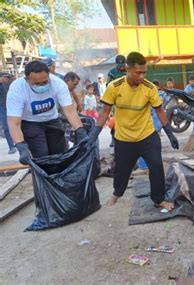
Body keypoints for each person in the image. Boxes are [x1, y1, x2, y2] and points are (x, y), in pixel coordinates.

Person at [89, 52, 179, 210]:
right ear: (127, 69)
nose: (142, 76)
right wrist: (94, 134)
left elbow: (159, 111)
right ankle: (117, 194)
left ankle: (159, 199)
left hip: (147, 135)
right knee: (122, 169)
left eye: (144, 72)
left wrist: (170, 133)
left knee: (156, 166)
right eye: (138, 72)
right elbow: (104, 112)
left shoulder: (149, 88)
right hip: (124, 138)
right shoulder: (114, 87)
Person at [7, 61, 88, 164]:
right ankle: (43, 179)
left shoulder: (58, 84)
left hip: (52, 120)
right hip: (30, 123)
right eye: (36, 83)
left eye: (45, 82)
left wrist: (80, 131)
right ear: (27, 79)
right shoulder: (17, 89)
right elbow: (14, 122)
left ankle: (59, 178)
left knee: (59, 155)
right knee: (42, 156)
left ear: (49, 75)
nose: (41, 85)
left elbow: (70, 111)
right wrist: (21, 147)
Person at [0, 72, 16, 154]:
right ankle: (11, 146)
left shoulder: (9, 80)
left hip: (13, 105)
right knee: (6, 128)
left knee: (18, 124)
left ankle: (19, 143)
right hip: (2, 107)